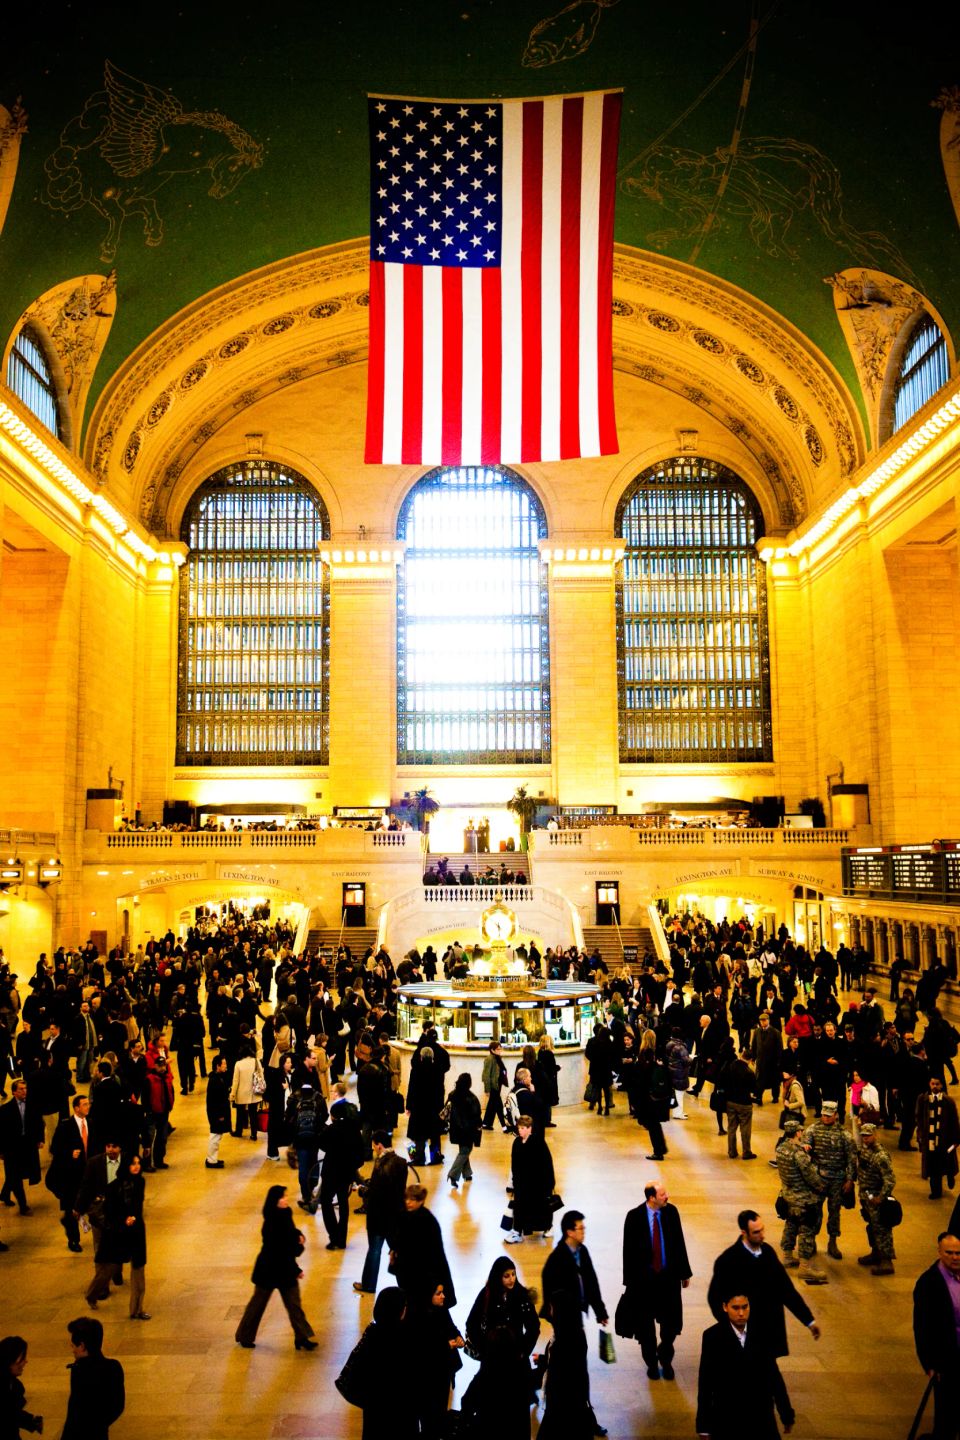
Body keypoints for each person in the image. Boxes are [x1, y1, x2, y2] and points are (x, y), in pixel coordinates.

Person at [707, 1210, 821, 1359]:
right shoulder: (728, 1261)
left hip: (768, 1332)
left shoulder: (768, 1252)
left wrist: (808, 1320)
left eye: (762, 1230)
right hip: (746, 1336)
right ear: (744, 1232)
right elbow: (715, 1298)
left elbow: (786, 1290)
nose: (762, 1235)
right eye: (756, 1232)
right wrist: (732, 1327)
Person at [541, 1210, 609, 1438]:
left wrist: (600, 1310)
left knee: (580, 1373)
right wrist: (558, 1322)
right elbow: (550, 1294)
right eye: (581, 1228)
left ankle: (585, 1417)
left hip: (576, 1322)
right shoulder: (557, 1259)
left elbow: (591, 1281)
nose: (584, 1232)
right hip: (565, 1325)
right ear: (569, 1231)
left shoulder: (582, 1251)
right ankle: (574, 1419)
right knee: (571, 1374)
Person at [696, 1291, 795, 1440]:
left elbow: (774, 1377)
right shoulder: (712, 1336)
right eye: (736, 1308)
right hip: (727, 1417)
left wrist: (786, 1414)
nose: (741, 1313)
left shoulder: (762, 1333)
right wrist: (703, 1426)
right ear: (725, 1307)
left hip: (760, 1416)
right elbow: (706, 1382)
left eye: (745, 1307)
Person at [619, 1180, 692, 1380]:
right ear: (651, 1198)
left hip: (668, 1280)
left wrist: (684, 1273)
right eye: (662, 1194)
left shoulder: (671, 1212)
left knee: (670, 1327)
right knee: (646, 1330)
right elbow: (628, 1252)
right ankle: (651, 1363)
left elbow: (679, 1243)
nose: (666, 1196)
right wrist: (630, 1283)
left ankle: (666, 1357)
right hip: (644, 1283)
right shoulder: (634, 1217)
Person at [234, 1184, 317, 1349]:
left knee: (294, 1305)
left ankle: (302, 1337)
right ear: (274, 1201)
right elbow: (280, 1250)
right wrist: (296, 1265)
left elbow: (290, 1233)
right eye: (282, 1197)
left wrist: (298, 1235)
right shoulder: (271, 1223)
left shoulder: (286, 1214)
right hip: (270, 1270)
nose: (286, 1200)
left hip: (284, 1269)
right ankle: (245, 1336)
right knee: (257, 1305)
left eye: (285, 1196)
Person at [336, 1287, 417, 1440]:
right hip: (402, 1416)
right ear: (399, 1310)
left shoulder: (372, 1334)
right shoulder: (405, 1339)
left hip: (375, 1414)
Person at [913, 1231, 960, 1440]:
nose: (955, 1257)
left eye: (959, 1253)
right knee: (946, 1413)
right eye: (949, 1253)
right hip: (946, 1359)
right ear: (939, 1252)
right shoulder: (929, 1283)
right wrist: (929, 1362)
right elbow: (922, 1326)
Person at [91, 1153, 149, 1320]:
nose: (136, 1166)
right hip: (118, 1231)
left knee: (138, 1267)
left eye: (138, 1163)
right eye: (133, 1164)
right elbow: (110, 1211)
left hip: (136, 1229)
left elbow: (138, 1204)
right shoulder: (114, 1187)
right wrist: (124, 1218)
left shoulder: (140, 1182)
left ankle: (136, 1309)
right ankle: (92, 1294)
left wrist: (134, 1217)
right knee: (109, 1267)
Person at [354, 1130, 408, 1294]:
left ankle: (369, 1284)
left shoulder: (380, 1164)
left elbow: (377, 1191)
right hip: (395, 1215)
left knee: (374, 1250)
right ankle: (406, 1284)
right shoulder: (401, 1162)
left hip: (378, 1215)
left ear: (379, 1145)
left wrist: (363, 1191)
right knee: (398, 1251)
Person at [390, 1184, 457, 1313]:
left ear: (421, 1201)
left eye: (413, 1199)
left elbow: (436, 1253)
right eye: (407, 1198)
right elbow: (397, 1236)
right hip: (405, 1268)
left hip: (422, 1272)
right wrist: (393, 1250)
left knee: (420, 1303)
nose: (408, 1202)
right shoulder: (403, 1215)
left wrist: (439, 1280)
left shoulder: (428, 1222)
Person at [410, 1280, 464, 1439]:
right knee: (429, 1416)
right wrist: (445, 1345)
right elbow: (422, 1347)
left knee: (440, 1411)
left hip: (443, 1372)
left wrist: (458, 1337)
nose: (443, 1296)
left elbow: (451, 1327)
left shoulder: (442, 1310)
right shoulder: (417, 1317)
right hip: (427, 1377)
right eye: (438, 1293)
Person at [803, 1100, 856, 1258]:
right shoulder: (812, 1130)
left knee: (834, 1212)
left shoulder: (844, 1134)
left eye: (829, 1115)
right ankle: (811, 1240)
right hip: (819, 1178)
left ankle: (832, 1242)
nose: (825, 1118)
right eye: (824, 1115)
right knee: (815, 1209)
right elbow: (806, 1148)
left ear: (836, 1115)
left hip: (838, 1180)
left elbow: (851, 1158)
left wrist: (850, 1180)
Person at [465, 1255, 540, 1367]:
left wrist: (523, 1351)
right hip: (492, 1359)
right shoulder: (486, 1294)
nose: (512, 1279)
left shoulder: (522, 1295)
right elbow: (471, 1324)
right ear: (498, 1276)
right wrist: (485, 1350)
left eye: (513, 1274)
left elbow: (533, 1327)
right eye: (506, 1276)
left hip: (517, 1358)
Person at [315, 1083, 363, 1249]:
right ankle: (342, 1238)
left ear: (333, 1116)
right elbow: (360, 1151)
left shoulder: (331, 1130)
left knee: (326, 1200)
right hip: (347, 1171)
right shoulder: (354, 1130)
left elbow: (322, 1145)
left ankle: (333, 1235)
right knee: (343, 1202)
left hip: (331, 1170)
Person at [61, 1316, 125, 1440]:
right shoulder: (114, 1367)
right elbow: (118, 1406)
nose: (72, 1349)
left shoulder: (79, 1371)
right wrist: (100, 1425)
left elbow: (74, 1414)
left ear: (82, 1346)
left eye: (73, 1345)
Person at [47, 1095, 92, 1252]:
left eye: (88, 1104)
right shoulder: (65, 1126)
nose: (88, 1107)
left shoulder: (92, 1123)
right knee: (71, 1207)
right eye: (84, 1104)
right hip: (71, 1175)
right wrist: (69, 1153)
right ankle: (74, 1240)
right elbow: (54, 1149)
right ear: (76, 1108)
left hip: (88, 1173)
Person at [856, 1122, 897, 1275]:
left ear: (875, 1135)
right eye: (864, 1136)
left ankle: (887, 1261)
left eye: (868, 1136)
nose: (866, 1139)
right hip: (867, 1197)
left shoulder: (881, 1156)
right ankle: (876, 1253)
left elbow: (890, 1180)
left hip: (877, 1198)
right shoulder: (865, 1151)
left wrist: (881, 1197)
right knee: (872, 1227)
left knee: (882, 1229)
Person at [0, 1079, 43, 1215]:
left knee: (16, 1173)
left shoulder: (33, 1105)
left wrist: (40, 1139)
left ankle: (5, 1194)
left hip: (27, 1145)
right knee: (15, 1176)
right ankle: (23, 1205)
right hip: (12, 1147)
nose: (25, 1091)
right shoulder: (5, 1110)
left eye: (25, 1088)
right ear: (14, 1092)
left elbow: (39, 1123)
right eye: (21, 1089)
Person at [916, 1075, 960, 1199]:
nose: (935, 1086)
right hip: (929, 1141)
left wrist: (956, 1139)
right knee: (933, 1167)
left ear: (941, 1085)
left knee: (947, 1162)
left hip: (945, 1140)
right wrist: (920, 1135)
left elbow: (954, 1121)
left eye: (937, 1084)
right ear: (929, 1084)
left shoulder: (948, 1101)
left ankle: (950, 1176)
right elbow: (919, 1118)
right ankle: (936, 1191)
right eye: (932, 1084)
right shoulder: (923, 1099)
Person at [0, 1334, 42, 1437]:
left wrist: (31, 1421)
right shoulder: (9, 1386)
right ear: (11, 1362)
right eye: (22, 1359)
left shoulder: (13, 1384)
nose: (25, 1362)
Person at [446, 1071, 482, 1188]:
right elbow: (477, 1115)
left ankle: (467, 1174)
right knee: (465, 1151)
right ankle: (453, 1174)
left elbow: (446, 1110)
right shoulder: (472, 1098)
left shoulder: (452, 1095)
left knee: (463, 1149)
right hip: (468, 1130)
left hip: (455, 1129)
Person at [204, 1054, 231, 1168]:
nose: (226, 1066)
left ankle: (213, 1158)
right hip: (217, 1114)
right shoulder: (215, 1081)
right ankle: (211, 1160)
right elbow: (215, 1101)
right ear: (217, 1066)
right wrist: (220, 1115)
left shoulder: (219, 1077)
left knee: (217, 1136)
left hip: (218, 1112)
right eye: (223, 1064)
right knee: (215, 1136)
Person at [481, 1040, 509, 1132]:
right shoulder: (489, 1059)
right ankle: (504, 1127)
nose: (499, 1050)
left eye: (500, 1049)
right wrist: (487, 1089)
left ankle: (486, 1123)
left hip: (498, 1085)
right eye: (497, 1049)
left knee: (492, 1105)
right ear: (492, 1050)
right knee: (498, 1105)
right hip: (493, 1087)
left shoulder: (497, 1058)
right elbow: (486, 1075)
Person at [534, 1035, 560, 1127]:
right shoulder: (549, 1054)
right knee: (548, 1102)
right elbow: (551, 1068)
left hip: (541, 1080)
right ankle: (547, 1121)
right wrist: (558, 1068)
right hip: (548, 1080)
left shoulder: (539, 1052)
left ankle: (543, 1120)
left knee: (543, 1101)